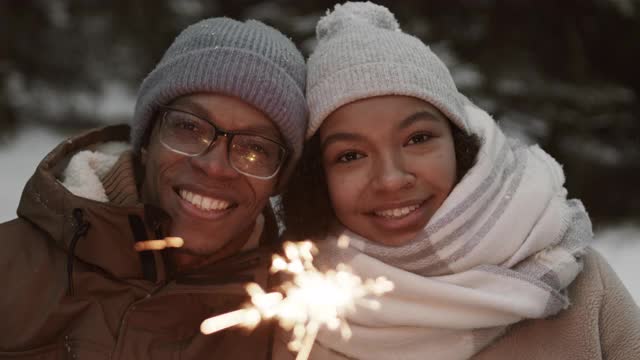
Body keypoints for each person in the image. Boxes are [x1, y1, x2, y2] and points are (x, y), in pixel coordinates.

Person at [277, 2, 640, 359]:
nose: (390, 179)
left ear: (460, 144)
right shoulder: (298, 314)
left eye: (417, 138)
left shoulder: (573, 274)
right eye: (350, 156)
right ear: (317, 178)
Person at [0, 16, 307, 359]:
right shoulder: (10, 267)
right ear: (147, 138)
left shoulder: (295, 324)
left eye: (254, 148)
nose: (214, 166)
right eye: (189, 127)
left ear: (279, 178)